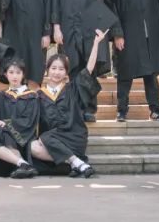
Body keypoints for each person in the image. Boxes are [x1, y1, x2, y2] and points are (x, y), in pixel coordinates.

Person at [50, 0, 121, 122]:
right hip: (68, 29)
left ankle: (89, 109)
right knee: (72, 67)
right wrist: (56, 28)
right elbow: (54, 5)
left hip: (91, 29)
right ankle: (74, 108)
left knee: (90, 69)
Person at [29, 31, 109, 178]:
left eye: (61, 69)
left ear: (66, 73)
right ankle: (76, 163)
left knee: (45, 137)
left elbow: (89, 69)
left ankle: (72, 162)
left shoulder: (72, 89)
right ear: (47, 71)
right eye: (53, 68)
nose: (56, 72)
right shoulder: (38, 96)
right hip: (53, 142)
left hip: (74, 136)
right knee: (32, 146)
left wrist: (96, 44)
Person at [106, 0, 159, 123]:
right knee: (125, 74)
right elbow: (111, 10)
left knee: (151, 75)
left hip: (149, 36)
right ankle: (121, 111)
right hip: (127, 35)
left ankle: (155, 110)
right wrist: (117, 34)